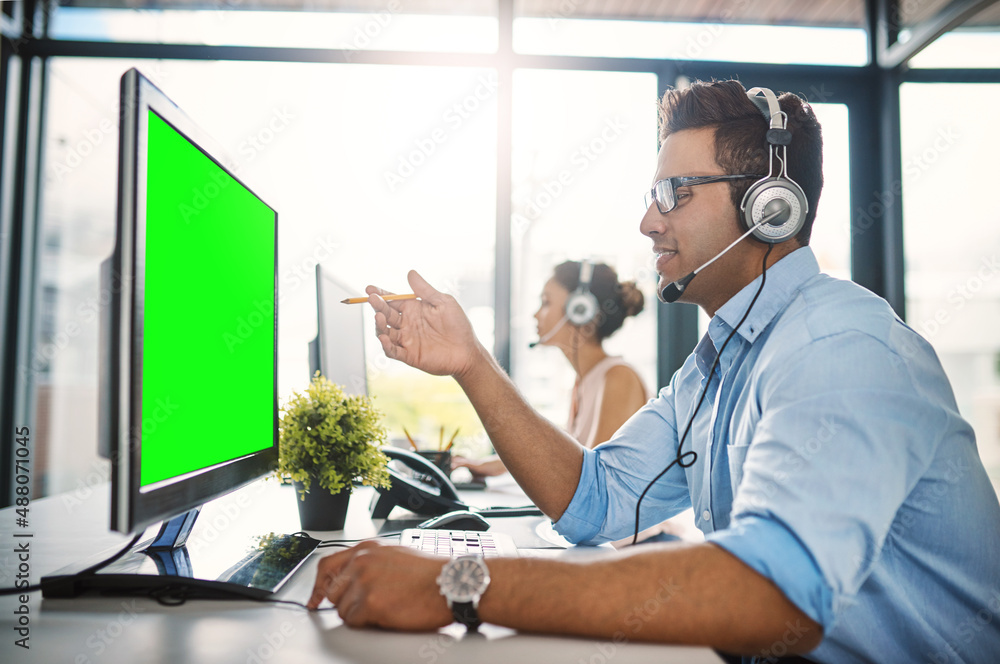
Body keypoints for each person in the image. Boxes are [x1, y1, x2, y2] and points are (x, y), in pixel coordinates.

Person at [307, 80, 1000, 663]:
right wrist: (471, 363)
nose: (646, 220)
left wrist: (454, 584)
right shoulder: (718, 364)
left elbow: (772, 590)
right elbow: (594, 501)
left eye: (674, 191)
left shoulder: (840, 349)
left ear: (770, 206)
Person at [452, 260, 649, 480]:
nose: (536, 315)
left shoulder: (618, 378)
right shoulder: (585, 380)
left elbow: (597, 477)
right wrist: (490, 465)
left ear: (580, 310)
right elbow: (569, 452)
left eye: (546, 303)